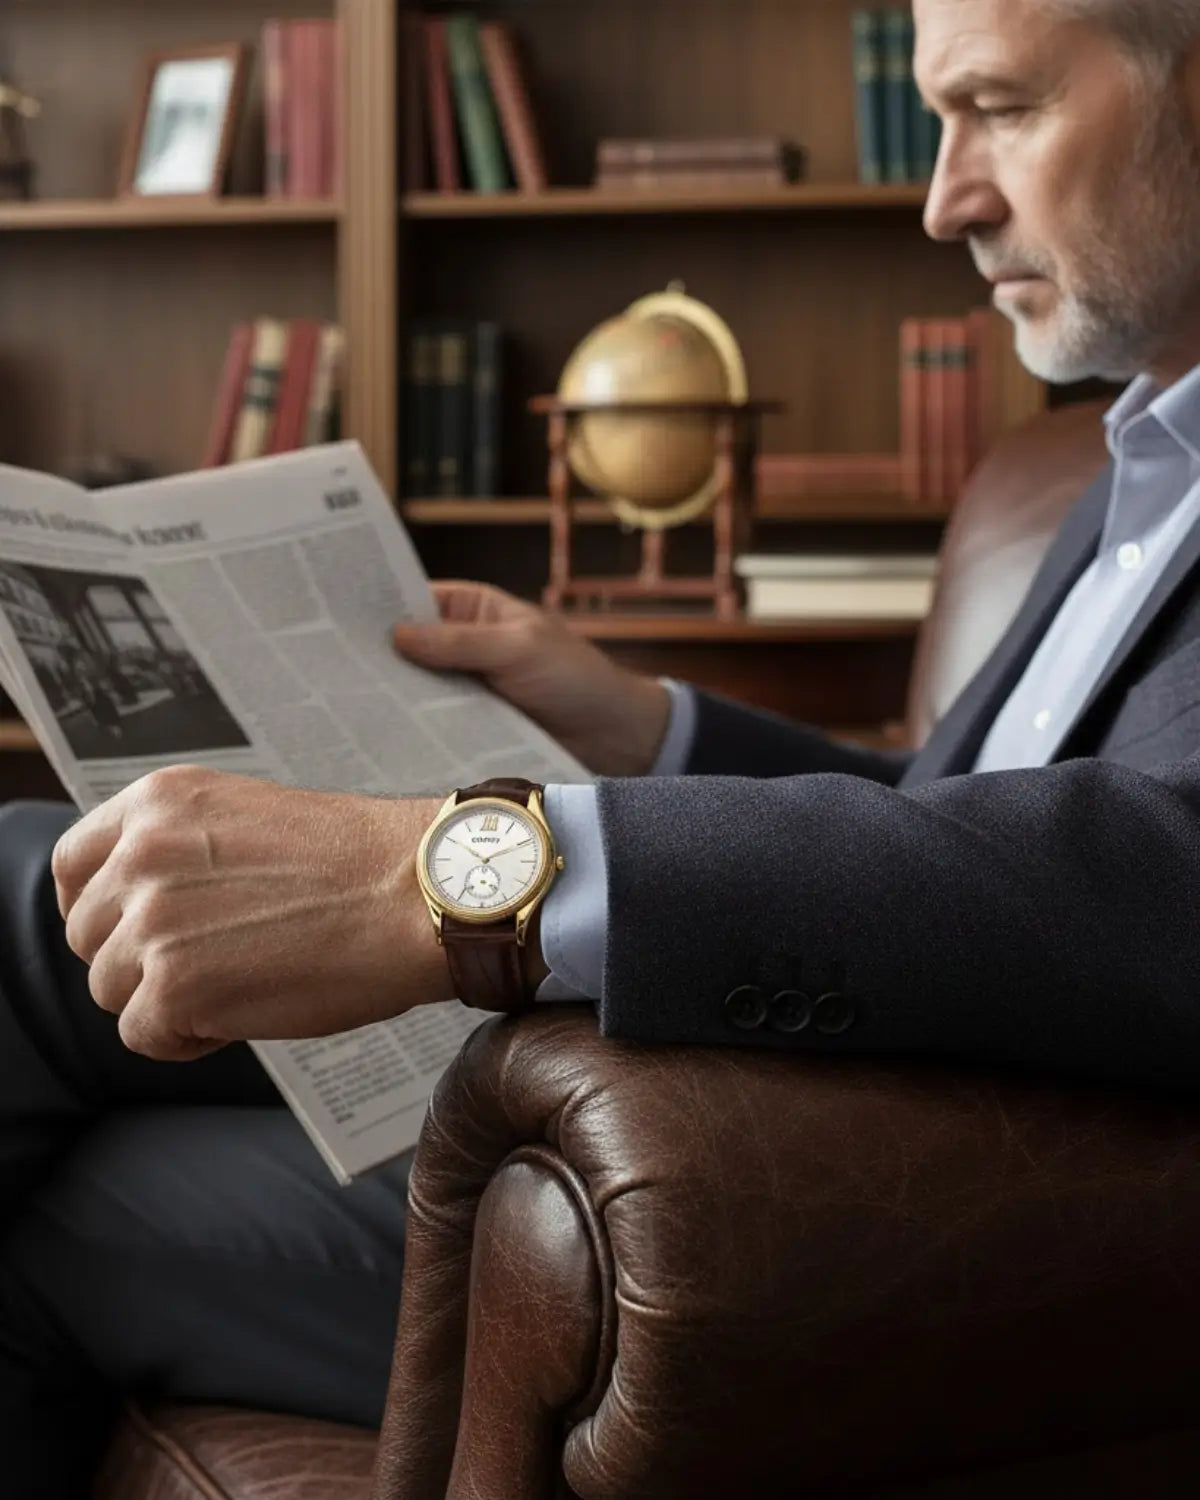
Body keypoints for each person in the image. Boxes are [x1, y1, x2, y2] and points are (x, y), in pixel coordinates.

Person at [3, 0, 1200, 1489]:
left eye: (1003, 107)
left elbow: (1162, 875)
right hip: (724, 1081)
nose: (943, 195)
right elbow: (977, 827)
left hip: (810, 1210)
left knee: (45, 1024)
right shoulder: (1142, 451)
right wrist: (638, 722)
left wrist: (459, 873)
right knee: (44, 935)